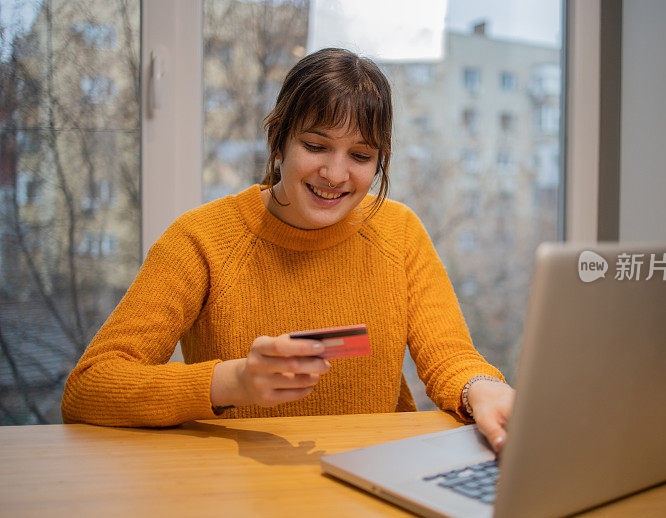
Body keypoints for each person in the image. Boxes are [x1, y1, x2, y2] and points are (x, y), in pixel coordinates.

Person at [61, 48, 515, 453]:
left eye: (360, 156)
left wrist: (483, 388)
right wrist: (233, 382)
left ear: (380, 162)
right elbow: (89, 387)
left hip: (374, 483)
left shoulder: (398, 232)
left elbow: (451, 356)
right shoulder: (201, 239)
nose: (336, 174)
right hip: (239, 497)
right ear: (279, 140)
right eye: (316, 146)